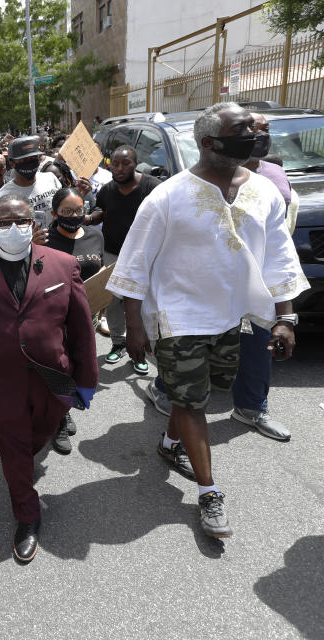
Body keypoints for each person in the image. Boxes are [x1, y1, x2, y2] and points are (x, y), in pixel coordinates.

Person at [106, 102, 308, 539]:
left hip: (234, 317)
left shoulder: (265, 192)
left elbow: (279, 258)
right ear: (208, 143)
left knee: (198, 392)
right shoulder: (167, 196)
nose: (253, 135)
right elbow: (134, 264)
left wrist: (286, 317)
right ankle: (209, 491)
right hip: (179, 318)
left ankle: (167, 444)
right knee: (193, 401)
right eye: (241, 130)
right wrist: (135, 327)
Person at [0, 197, 97, 563]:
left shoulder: (62, 265)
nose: (13, 228)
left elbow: (80, 326)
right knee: (15, 455)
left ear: (34, 222)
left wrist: (86, 377)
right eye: (4, 221)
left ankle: (24, 464)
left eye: (22, 220)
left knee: (36, 439)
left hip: (52, 380)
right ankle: (27, 516)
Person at [230, 113, 294, 441]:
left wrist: (288, 314)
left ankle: (251, 407)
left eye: (266, 130)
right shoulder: (215, 177)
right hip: (218, 282)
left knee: (259, 344)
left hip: (261, 277)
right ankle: (167, 394)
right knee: (195, 347)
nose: (260, 135)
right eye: (253, 130)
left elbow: (283, 229)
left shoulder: (276, 175)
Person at [89, 145, 161, 373]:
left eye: (126, 163)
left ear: (135, 163)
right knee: (112, 301)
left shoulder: (153, 187)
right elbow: (100, 210)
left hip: (144, 256)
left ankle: (139, 348)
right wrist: (90, 216)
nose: (119, 169)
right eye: (115, 164)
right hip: (113, 253)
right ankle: (118, 343)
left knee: (139, 302)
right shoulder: (108, 190)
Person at [44, 187, 104, 455]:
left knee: (78, 366)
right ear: (54, 213)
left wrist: (101, 298)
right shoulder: (44, 240)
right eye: (66, 211)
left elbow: (99, 268)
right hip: (53, 319)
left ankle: (64, 409)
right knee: (58, 369)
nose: (73, 215)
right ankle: (56, 421)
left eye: (77, 210)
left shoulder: (95, 235)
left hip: (85, 317)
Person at [0, 136, 63, 229]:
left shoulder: (51, 178)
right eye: (24, 160)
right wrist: (31, 242)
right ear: (12, 163)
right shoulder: (2, 197)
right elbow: (1, 233)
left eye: (33, 158)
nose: (30, 162)